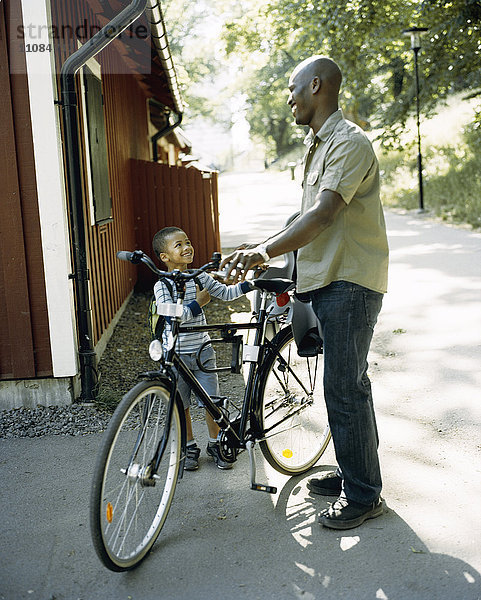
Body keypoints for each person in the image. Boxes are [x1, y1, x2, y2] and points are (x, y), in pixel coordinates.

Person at [221, 56, 389, 530]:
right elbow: (304, 219)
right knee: (348, 385)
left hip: (350, 281)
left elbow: (324, 215)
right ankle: (358, 474)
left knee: (344, 387)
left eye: (292, 88)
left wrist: (262, 252)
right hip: (324, 278)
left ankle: (364, 496)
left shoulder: (349, 142)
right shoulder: (317, 146)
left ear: (316, 86)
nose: (289, 97)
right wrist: (262, 251)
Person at [153, 226, 252, 471]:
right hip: (175, 355)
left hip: (202, 350)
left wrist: (250, 284)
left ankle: (215, 443)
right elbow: (173, 318)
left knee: (211, 401)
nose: (187, 247)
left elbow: (227, 293)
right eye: (178, 245)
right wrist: (198, 304)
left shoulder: (199, 277)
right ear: (164, 257)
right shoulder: (162, 286)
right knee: (181, 403)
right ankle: (189, 447)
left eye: (187, 241)